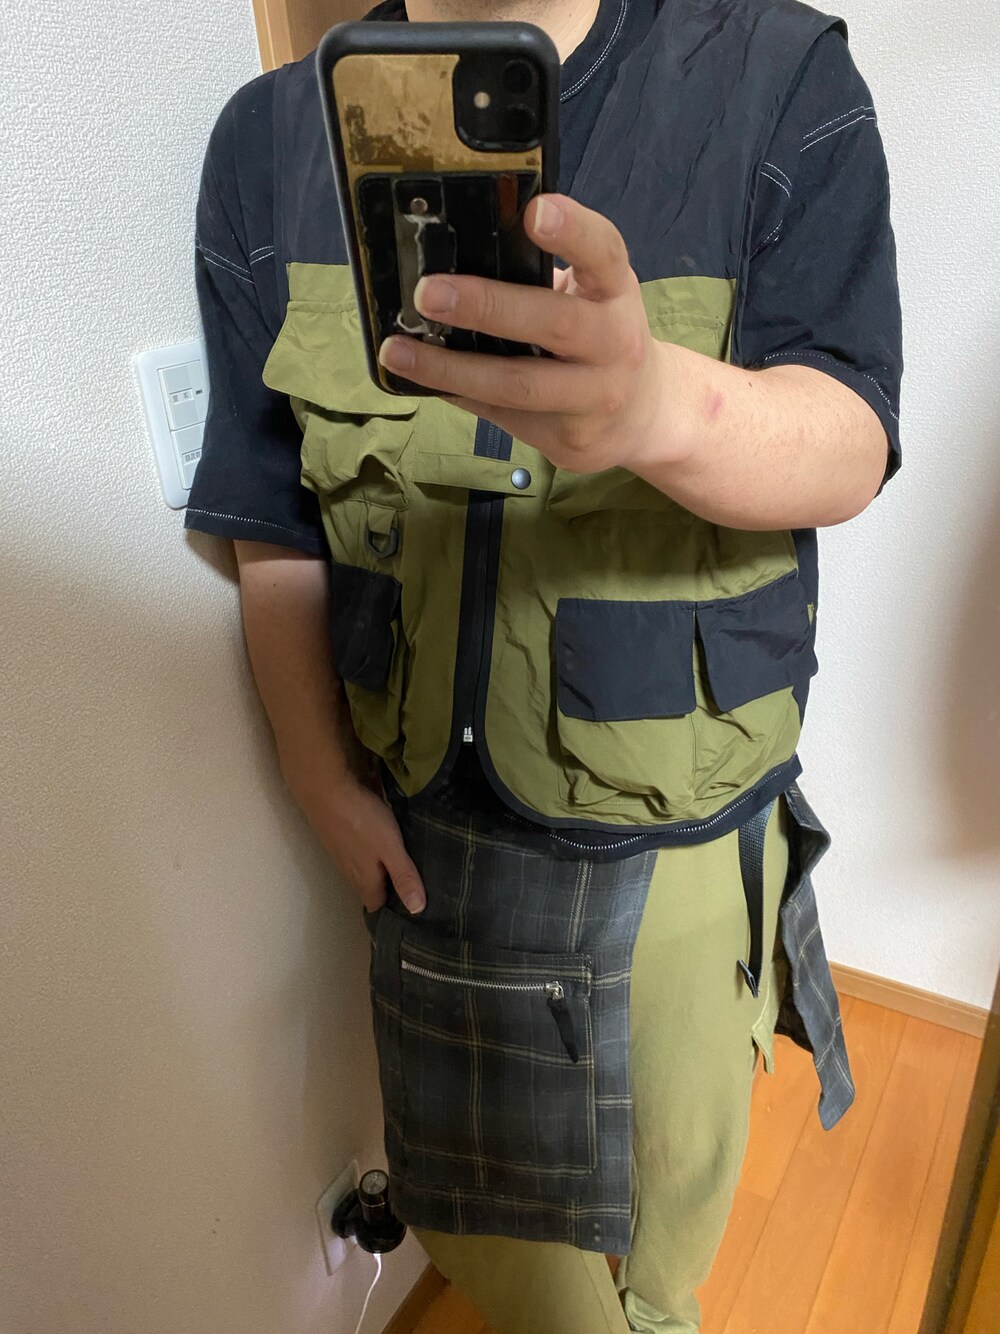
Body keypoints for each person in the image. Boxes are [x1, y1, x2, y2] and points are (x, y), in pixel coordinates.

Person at [185, 0, 902, 1327]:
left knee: (666, 1239)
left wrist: (659, 405)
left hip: (683, 839)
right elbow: (269, 508)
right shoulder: (270, 141)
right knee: (492, 1242)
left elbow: (853, 439)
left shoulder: (778, 78)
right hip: (427, 833)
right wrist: (316, 776)